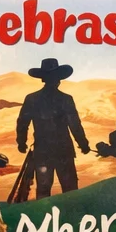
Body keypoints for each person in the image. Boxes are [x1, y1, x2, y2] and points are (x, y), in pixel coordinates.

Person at [14, 58, 89, 199]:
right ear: (59, 79)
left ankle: (44, 219)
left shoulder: (32, 99)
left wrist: (21, 142)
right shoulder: (66, 99)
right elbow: (75, 125)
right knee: (70, 190)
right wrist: (83, 144)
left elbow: (22, 123)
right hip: (64, 151)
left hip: (43, 152)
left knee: (43, 190)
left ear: (43, 78)